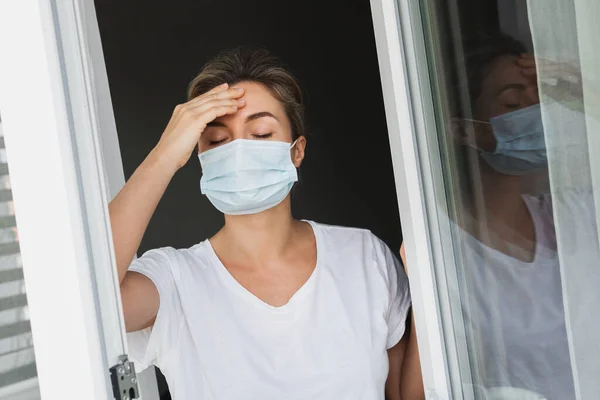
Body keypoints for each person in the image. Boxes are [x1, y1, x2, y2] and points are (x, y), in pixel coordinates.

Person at [109, 47, 424, 400]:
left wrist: (433, 297)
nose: (239, 151)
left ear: (297, 150)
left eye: (260, 134)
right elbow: (89, 298)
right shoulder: (175, 281)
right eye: (217, 139)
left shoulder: (364, 256)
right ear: (198, 155)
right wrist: (165, 153)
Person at [447, 35, 576, 399]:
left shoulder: (574, 218)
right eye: (513, 102)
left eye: (541, 99)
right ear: (464, 128)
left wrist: (589, 97)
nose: (535, 112)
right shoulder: (442, 251)